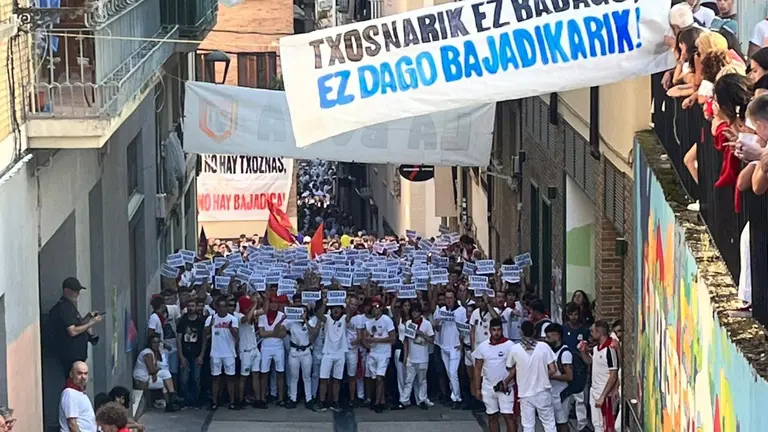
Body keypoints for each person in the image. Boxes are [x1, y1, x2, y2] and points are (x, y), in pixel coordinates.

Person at [505, 321, 557, 432]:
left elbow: (509, 368)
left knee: (528, 425)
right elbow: (553, 370)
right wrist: (542, 374)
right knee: (549, 424)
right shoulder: (544, 347)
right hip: (543, 391)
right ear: (534, 332)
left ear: (521, 332)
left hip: (525, 393)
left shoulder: (514, 350)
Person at [48, 277, 103, 378]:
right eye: (75, 291)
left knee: (80, 383)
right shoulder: (64, 308)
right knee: (75, 383)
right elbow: (72, 331)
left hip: (76, 356)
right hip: (71, 357)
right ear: (66, 291)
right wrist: (91, 323)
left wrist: (88, 317)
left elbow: (76, 325)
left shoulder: (69, 306)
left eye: (78, 291)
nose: (77, 293)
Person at [472, 318, 517, 432]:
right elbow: (477, 368)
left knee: (508, 417)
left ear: (502, 330)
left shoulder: (510, 345)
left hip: (506, 388)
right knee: (492, 417)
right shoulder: (483, 346)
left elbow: (516, 367)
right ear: (490, 330)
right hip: (488, 387)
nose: (496, 333)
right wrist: (477, 388)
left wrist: (506, 381)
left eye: (498, 330)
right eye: (494, 330)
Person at [578, 321, 619, 432]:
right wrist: (583, 352)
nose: (591, 334)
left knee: (606, 425)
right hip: (594, 391)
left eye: (592, 331)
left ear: (599, 332)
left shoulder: (610, 350)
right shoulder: (596, 348)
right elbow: (591, 362)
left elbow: (613, 375)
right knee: (597, 424)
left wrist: (603, 396)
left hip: (604, 393)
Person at [205, 296, 239, 410]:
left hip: (229, 353)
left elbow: (236, 337)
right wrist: (210, 325)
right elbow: (205, 334)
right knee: (216, 378)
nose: (223, 309)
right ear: (217, 307)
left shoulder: (232, 319)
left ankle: (232, 402)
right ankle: (215, 401)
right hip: (215, 353)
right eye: (220, 306)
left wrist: (231, 328)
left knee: (230, 378)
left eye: (225, 306)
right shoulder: (211, 318)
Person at [434, 289, 467, 409]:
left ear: (454, 298)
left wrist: (462, 343)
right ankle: (454, 395)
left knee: (453, 373)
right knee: (449, 373)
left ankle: (457, 398)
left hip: (455, 346)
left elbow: (465, 328)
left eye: (450, 297)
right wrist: (437, 323)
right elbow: (437, 329)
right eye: (446, 298)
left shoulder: (461, 311)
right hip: (444, 345)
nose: (448, 300)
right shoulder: (441, 311)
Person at [363, 296, 396, 413]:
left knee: (380, 378)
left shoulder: (387, 320)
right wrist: (369, 340)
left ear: (381, 308)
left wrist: (377, 340)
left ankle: (377, 402)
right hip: (373, 353)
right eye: (373, 307)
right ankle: (381, 401)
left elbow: (393, 338)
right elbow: (366, 338)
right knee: (374, 378)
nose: (375, 309)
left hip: (384, 353)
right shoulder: (369, 323)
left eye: (377, 306)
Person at [132, 334, 180, 412]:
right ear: (150, 343)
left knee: (166, 373)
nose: (156, 344)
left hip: (147, 376)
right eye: (154, 342)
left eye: (158, 342)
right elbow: (152, 370)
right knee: (165, 383)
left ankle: (172, 395)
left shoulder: (154, 352)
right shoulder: (147, 353)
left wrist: (155, 371)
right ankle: (170, 403)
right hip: (141, 381)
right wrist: (155, 371)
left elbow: (155, 367)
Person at [401, 303, 435, 410]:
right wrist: (406, 356)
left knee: (422, 380)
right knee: (408, 380)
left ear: (420, 312)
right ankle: (404, 400)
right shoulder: (408, 323)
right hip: (412, 356)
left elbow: (432, 340)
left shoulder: (427, 324)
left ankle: (422, 400)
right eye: (413, 311)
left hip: (423, 356)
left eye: (417, 311)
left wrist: (422, 334)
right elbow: (405, 341)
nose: (415, 313)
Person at [285, 304, 319, 409]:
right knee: (294, 377)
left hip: (306, 352)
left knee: (307, 377)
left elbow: (313, 333)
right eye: (300, 312)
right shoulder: (291, 323)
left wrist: (305, 321)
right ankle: (293, 398)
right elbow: (281, 330)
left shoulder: (311, 322)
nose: (302, 314)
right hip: (294, 351)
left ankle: (308, 399)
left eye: (304, 311)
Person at [175, 297, 206, 407]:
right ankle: (187, 399)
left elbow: (204, 339)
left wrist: (201, 355)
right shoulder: (182, 321)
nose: (191, 308)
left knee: (196, 378)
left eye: (193, 306)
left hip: (197, 354)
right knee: (184, 379)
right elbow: (178, 339)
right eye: (189, 306)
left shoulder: (201, 322)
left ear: (196, 307)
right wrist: (181, 356)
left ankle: (196, 400)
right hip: (185, 354)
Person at [317, 304, 348, 412]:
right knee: (323, 379)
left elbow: (349, 314)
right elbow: (319, 315)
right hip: (328, 352)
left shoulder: (344, 318)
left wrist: (346, 302)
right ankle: (322, 402)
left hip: (340, 353)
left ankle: (335, 402)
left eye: (338, 308)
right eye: (334, 308)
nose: (336, 310)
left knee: (337, 380)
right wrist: (324, 303)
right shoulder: (327, 318)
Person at [259, 295, 287, 405]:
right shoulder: (262, 316)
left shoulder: (282, 315)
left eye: (276, 302)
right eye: (272, 302)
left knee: (280, 372)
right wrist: (275, 332)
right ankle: (262, 398)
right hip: (266, 347)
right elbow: (261, 333)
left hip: (278, 347)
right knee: (264, 373)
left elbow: (283, 334)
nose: (274, 304)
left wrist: (268, 333)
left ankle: (280, 398)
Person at [59, 361, 97, 432]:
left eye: (85, 373)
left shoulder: (79, 392)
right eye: (79, 373)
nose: (83, 377)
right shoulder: (70, 393)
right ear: (71, 374)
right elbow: (72, 424)